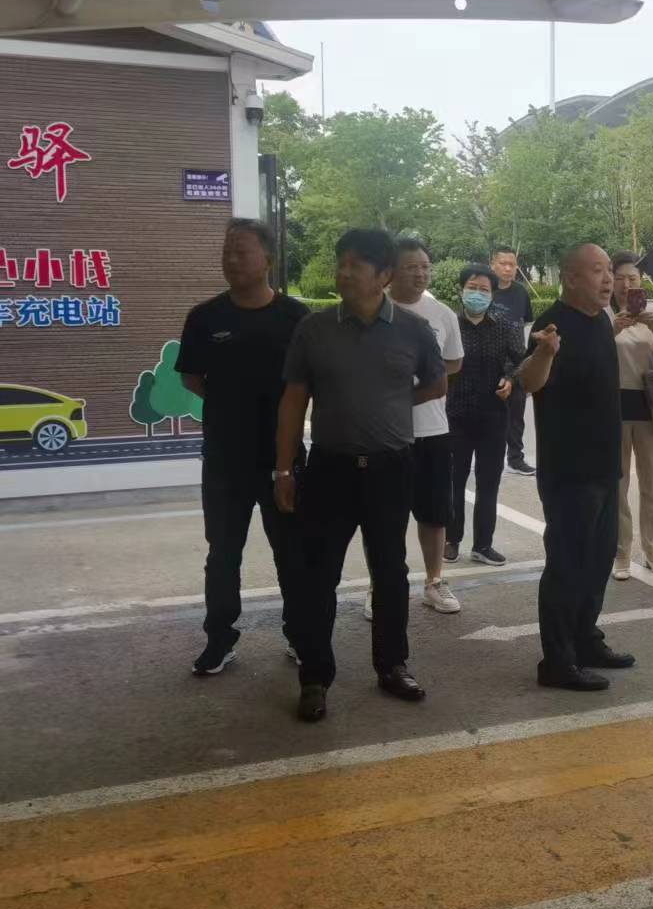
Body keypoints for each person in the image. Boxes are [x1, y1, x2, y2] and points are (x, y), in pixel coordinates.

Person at [274, 228, 447, 723]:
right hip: (330, 468)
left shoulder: (414, 329)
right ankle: (314, 677)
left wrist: (390, 403)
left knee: (390, 571)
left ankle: (392, 666)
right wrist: (283, 468)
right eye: (341, 263)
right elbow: (293, 400)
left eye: (356, 265)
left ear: (384, 275)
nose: (344, 272)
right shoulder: (314, 329)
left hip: (391, 468)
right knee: (318, 574)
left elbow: (436, 383)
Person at [176, 218, 310, 676]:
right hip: (224, 459)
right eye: (226, 252)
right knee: (222, 553)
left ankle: (300, 635)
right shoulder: (204, 317)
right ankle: (220, 639)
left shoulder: (296, 317)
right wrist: (231, 406)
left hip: (283, 458)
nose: (231, 260)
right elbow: (192, 378)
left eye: (241, 251)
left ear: (267, 258)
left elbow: (309, 384)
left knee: (292, 553)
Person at [519, 243, 635, 691]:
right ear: (570, 278)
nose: (608, 280)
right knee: (566, 566)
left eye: (609, 271)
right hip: (569, 471)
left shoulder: (601, 321)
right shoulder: (551, 326)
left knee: (599, 560)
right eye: (597, 271)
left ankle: (586, 640)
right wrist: (545, 353)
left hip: (605, 465)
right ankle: (557, 661)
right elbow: (529, 382)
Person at [384, 238, 464, 616]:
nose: (420, 274)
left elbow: (454, 362)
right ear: (390, 271)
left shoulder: (441, 314)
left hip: (432, 429)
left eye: (425, 267)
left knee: (434, 512)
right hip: (384, 431)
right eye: (411, 266)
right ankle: (381, 585)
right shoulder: (375, 309)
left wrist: (423, 380)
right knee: (385, 515)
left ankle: (434, 582)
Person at [609, 251, 653, 580]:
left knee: (651, 485)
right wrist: (611, 329)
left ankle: (652, 548)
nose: (626, 285)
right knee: (617, 486)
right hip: (613, 410)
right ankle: (621, 552)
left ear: (642, 282)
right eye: (620, 278)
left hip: (652, 409)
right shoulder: (601, 314)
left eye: (633, 279)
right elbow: (588, 357)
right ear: (611, 281)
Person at [447, 264, 524, 567]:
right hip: (455, 415)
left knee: (488, 482)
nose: (477, 294)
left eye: (484, 290)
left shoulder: (504, 326)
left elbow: (520, 361)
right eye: (472, 288)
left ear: (492, 295)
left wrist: (510, 379)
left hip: (493, 416)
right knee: (454, 481)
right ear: (461, 290)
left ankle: (483, 544)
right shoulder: (450, 325)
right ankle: (451, 539)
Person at [488, 245, 537, 476]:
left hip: (516, 363)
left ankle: (516, 459)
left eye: (512, 264)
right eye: (503, 264)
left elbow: (524, 324)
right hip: (489, 362)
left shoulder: (521, 293)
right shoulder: (485, 290)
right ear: (492, 264)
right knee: (490, 415)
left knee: (516, 415)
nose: (508, 268)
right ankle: (490, 458)